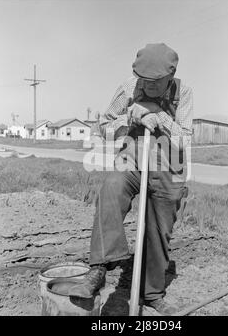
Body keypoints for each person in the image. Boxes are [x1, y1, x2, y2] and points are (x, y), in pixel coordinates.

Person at [69, 43, 193, 315]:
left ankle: (152, 294)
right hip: (132, 160)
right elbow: (102, 126)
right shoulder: (127, 87)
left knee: (159, 229)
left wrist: (157, 115)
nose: (147, 85)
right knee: (111, 187)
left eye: (155, 82)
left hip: (169, 165)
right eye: (143, 80)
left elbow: (183, 140)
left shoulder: (183, 92)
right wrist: (130, 116)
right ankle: (99, 269)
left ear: (169, 78)